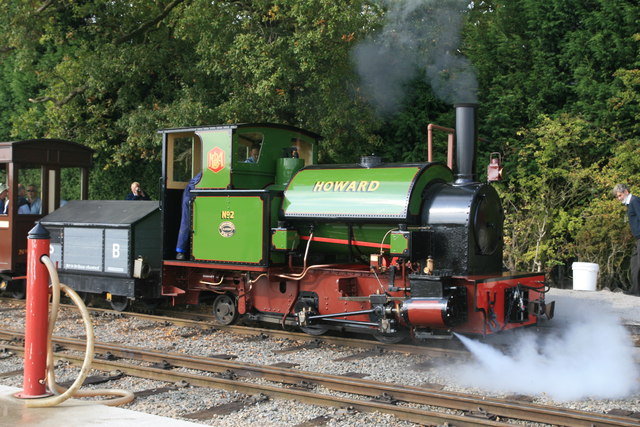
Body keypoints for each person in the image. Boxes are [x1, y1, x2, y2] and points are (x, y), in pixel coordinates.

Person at [614, 183, 640, 296]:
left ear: (626, 192)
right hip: (638, 238)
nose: (618, 199)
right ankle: (635, 290)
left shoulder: (634, 201)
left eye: (619, 195)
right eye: (617, 196)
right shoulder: (630, 203)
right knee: (634, 263)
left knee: (638, 264)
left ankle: (637, 291)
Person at [176, 172, 202, 260]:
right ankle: (180, 251)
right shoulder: (203, 174)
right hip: (190, 196)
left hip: (195, 195)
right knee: (186, 222)